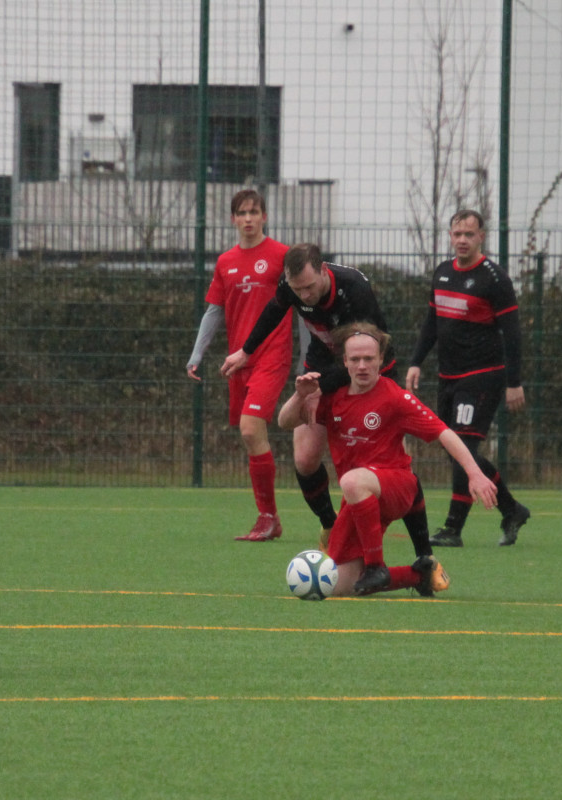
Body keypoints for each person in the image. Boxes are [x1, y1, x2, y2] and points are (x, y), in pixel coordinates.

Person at [221, 244, 433, 559]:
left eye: (309, 287)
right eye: (297, 290)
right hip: (322, 371)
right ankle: (330, 524)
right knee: (305, 459)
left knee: (393, 465)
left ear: (323, 270)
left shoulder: (355, 290)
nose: (304, 295)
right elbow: (274, 310)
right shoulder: (292, 285)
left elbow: (362, 359)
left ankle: (424, 555)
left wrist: (318, 387)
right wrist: (247, 351)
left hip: (370, 377)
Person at [277, 323, 497, 596]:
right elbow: (284, 422)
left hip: (396, 487)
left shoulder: (395, 397)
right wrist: (300, 395)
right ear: (344, 362)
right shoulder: (332, 397)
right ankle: (418, 576)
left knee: (353, 480)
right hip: (358, 497)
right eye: (355, 359)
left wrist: (474, 473)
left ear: (381, 359)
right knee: (340, 586)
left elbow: (445, 433)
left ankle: (376, 566)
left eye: (369, 359)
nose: (362, 366)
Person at [406, 210, 531, 547]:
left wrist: (514, 382)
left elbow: (513, 334)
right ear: (450, 235)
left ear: (481, 237)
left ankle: (452, 528)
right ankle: (511, 508)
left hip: (482, 377)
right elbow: (432, 323)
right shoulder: (443, 273)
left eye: (469, 234)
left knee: (463, 445)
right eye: (457, 233)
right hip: (448, 377)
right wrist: (416, 362)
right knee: (456, 449)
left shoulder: (495, 279)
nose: (462, 240)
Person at [187, 189, 293, 541]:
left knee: (251, 429)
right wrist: (197, 354)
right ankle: (271, 519)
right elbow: (215, 310)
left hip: (272, 355)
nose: (248, 218)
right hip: (239, 361)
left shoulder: (281, 256)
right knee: (251, 437)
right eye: (242, 212)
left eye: (254, 212)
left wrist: (310, 356)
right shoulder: (225, 262)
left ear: (265, 216)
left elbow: (303, 307)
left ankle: (267, 517)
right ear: (233, 219)